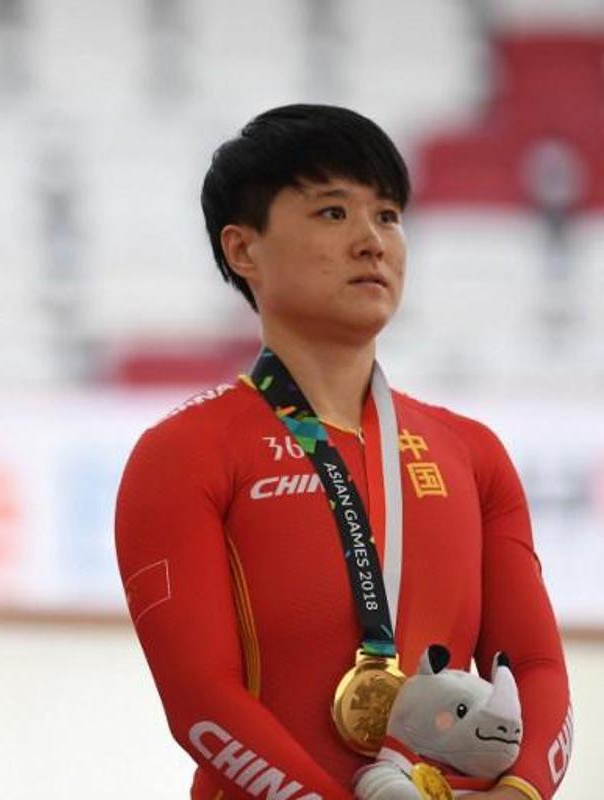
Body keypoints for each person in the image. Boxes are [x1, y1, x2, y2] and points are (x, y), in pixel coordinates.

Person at [114, 105, 571, 800]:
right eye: (333, 213)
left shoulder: (471, 453)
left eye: (388, 216)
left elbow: (535, 667)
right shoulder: (182, 454)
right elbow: (200, 701)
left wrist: (523, 791)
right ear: (244, 251)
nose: (372, 241)